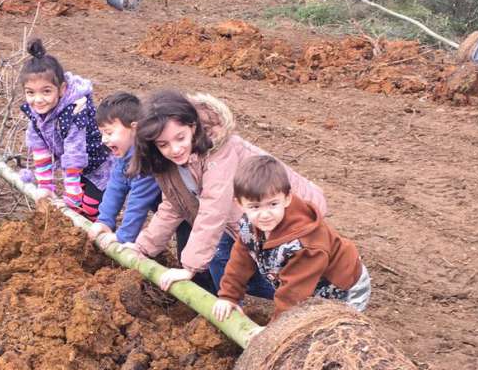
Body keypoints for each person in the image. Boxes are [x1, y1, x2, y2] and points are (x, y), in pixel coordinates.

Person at [123, 90, 327, 296]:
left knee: (275, 277)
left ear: (192, 126)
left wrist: (189, 268)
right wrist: (143, 247)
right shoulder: (171, 164)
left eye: (180, 138)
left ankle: (320, 292)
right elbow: (171, 207)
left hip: (285, 212)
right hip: (243, 218)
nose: (175, 149)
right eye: (163, 144)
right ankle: (229, 303)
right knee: (222, 262)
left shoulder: (219, 153)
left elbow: (214, 209)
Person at [213, 154, 370, 322]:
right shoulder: (249, 224)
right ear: (240, 204)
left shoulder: (305, 245)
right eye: (255, 206)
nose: (265, 215)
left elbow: (292, 298)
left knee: (334, 327)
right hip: (306, 284)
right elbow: (240, 260)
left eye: (273, 204)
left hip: (341, 287)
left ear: (287, 198)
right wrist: (229, 296)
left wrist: (273, 334)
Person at [19, 39, 110, 219]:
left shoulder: (74, 112)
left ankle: (97, 242)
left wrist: (72, 196)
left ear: (62, 89)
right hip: (78, 169)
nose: (38, 100)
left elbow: (74, 154)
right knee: (79, 209)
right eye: (30, 92)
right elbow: (40, 148)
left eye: (46, 91)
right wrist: (45, 187)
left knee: (91, 209)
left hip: (99, 165)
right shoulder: (37, 113)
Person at [86, 92, 161, 245]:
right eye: (101, 133)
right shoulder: (124, 155)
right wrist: (105, 221)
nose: (103, 139)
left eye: (109, 132)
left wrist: (123, 237)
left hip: (187, 212)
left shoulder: (147, 159)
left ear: (134, 128)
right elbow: (115, 187)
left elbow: (138, 202)